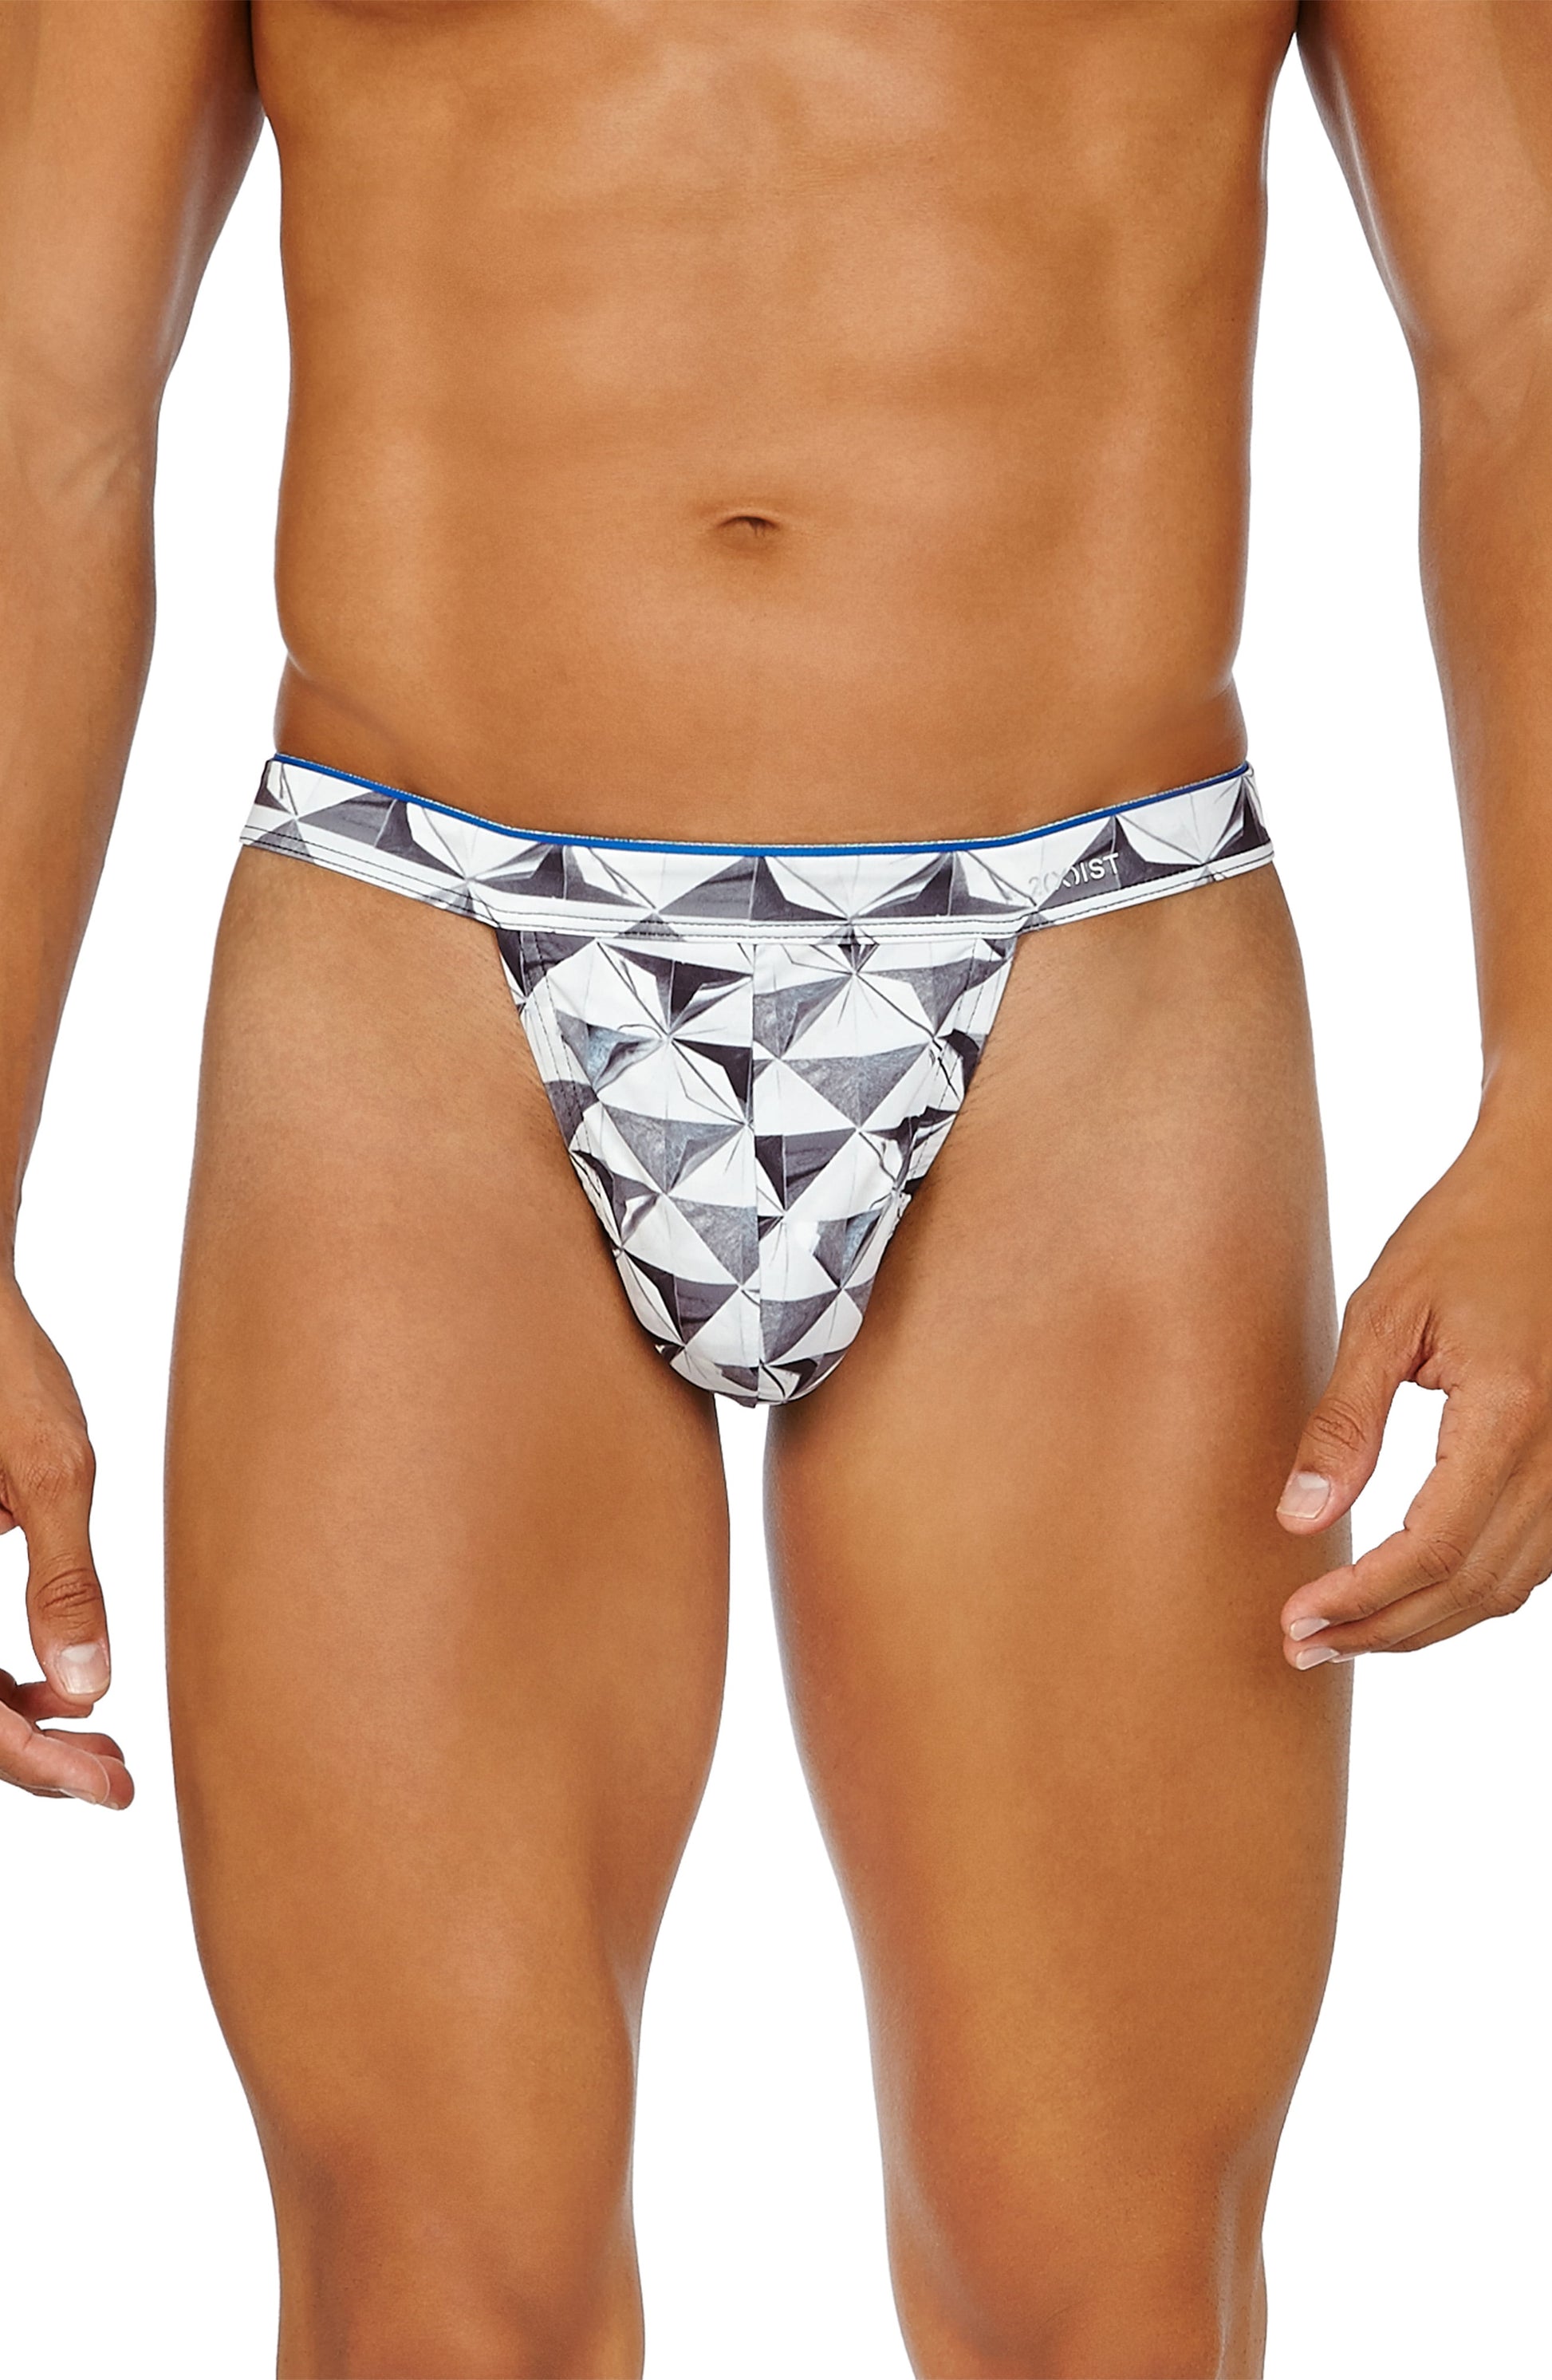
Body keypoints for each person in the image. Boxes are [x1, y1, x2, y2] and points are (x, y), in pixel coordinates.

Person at [3, 2, 1550, 2374]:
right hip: (418, 959)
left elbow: (1521, 334)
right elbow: (44, 398)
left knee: (1104, 2307)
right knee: (431, 2309)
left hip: (1089, 961)